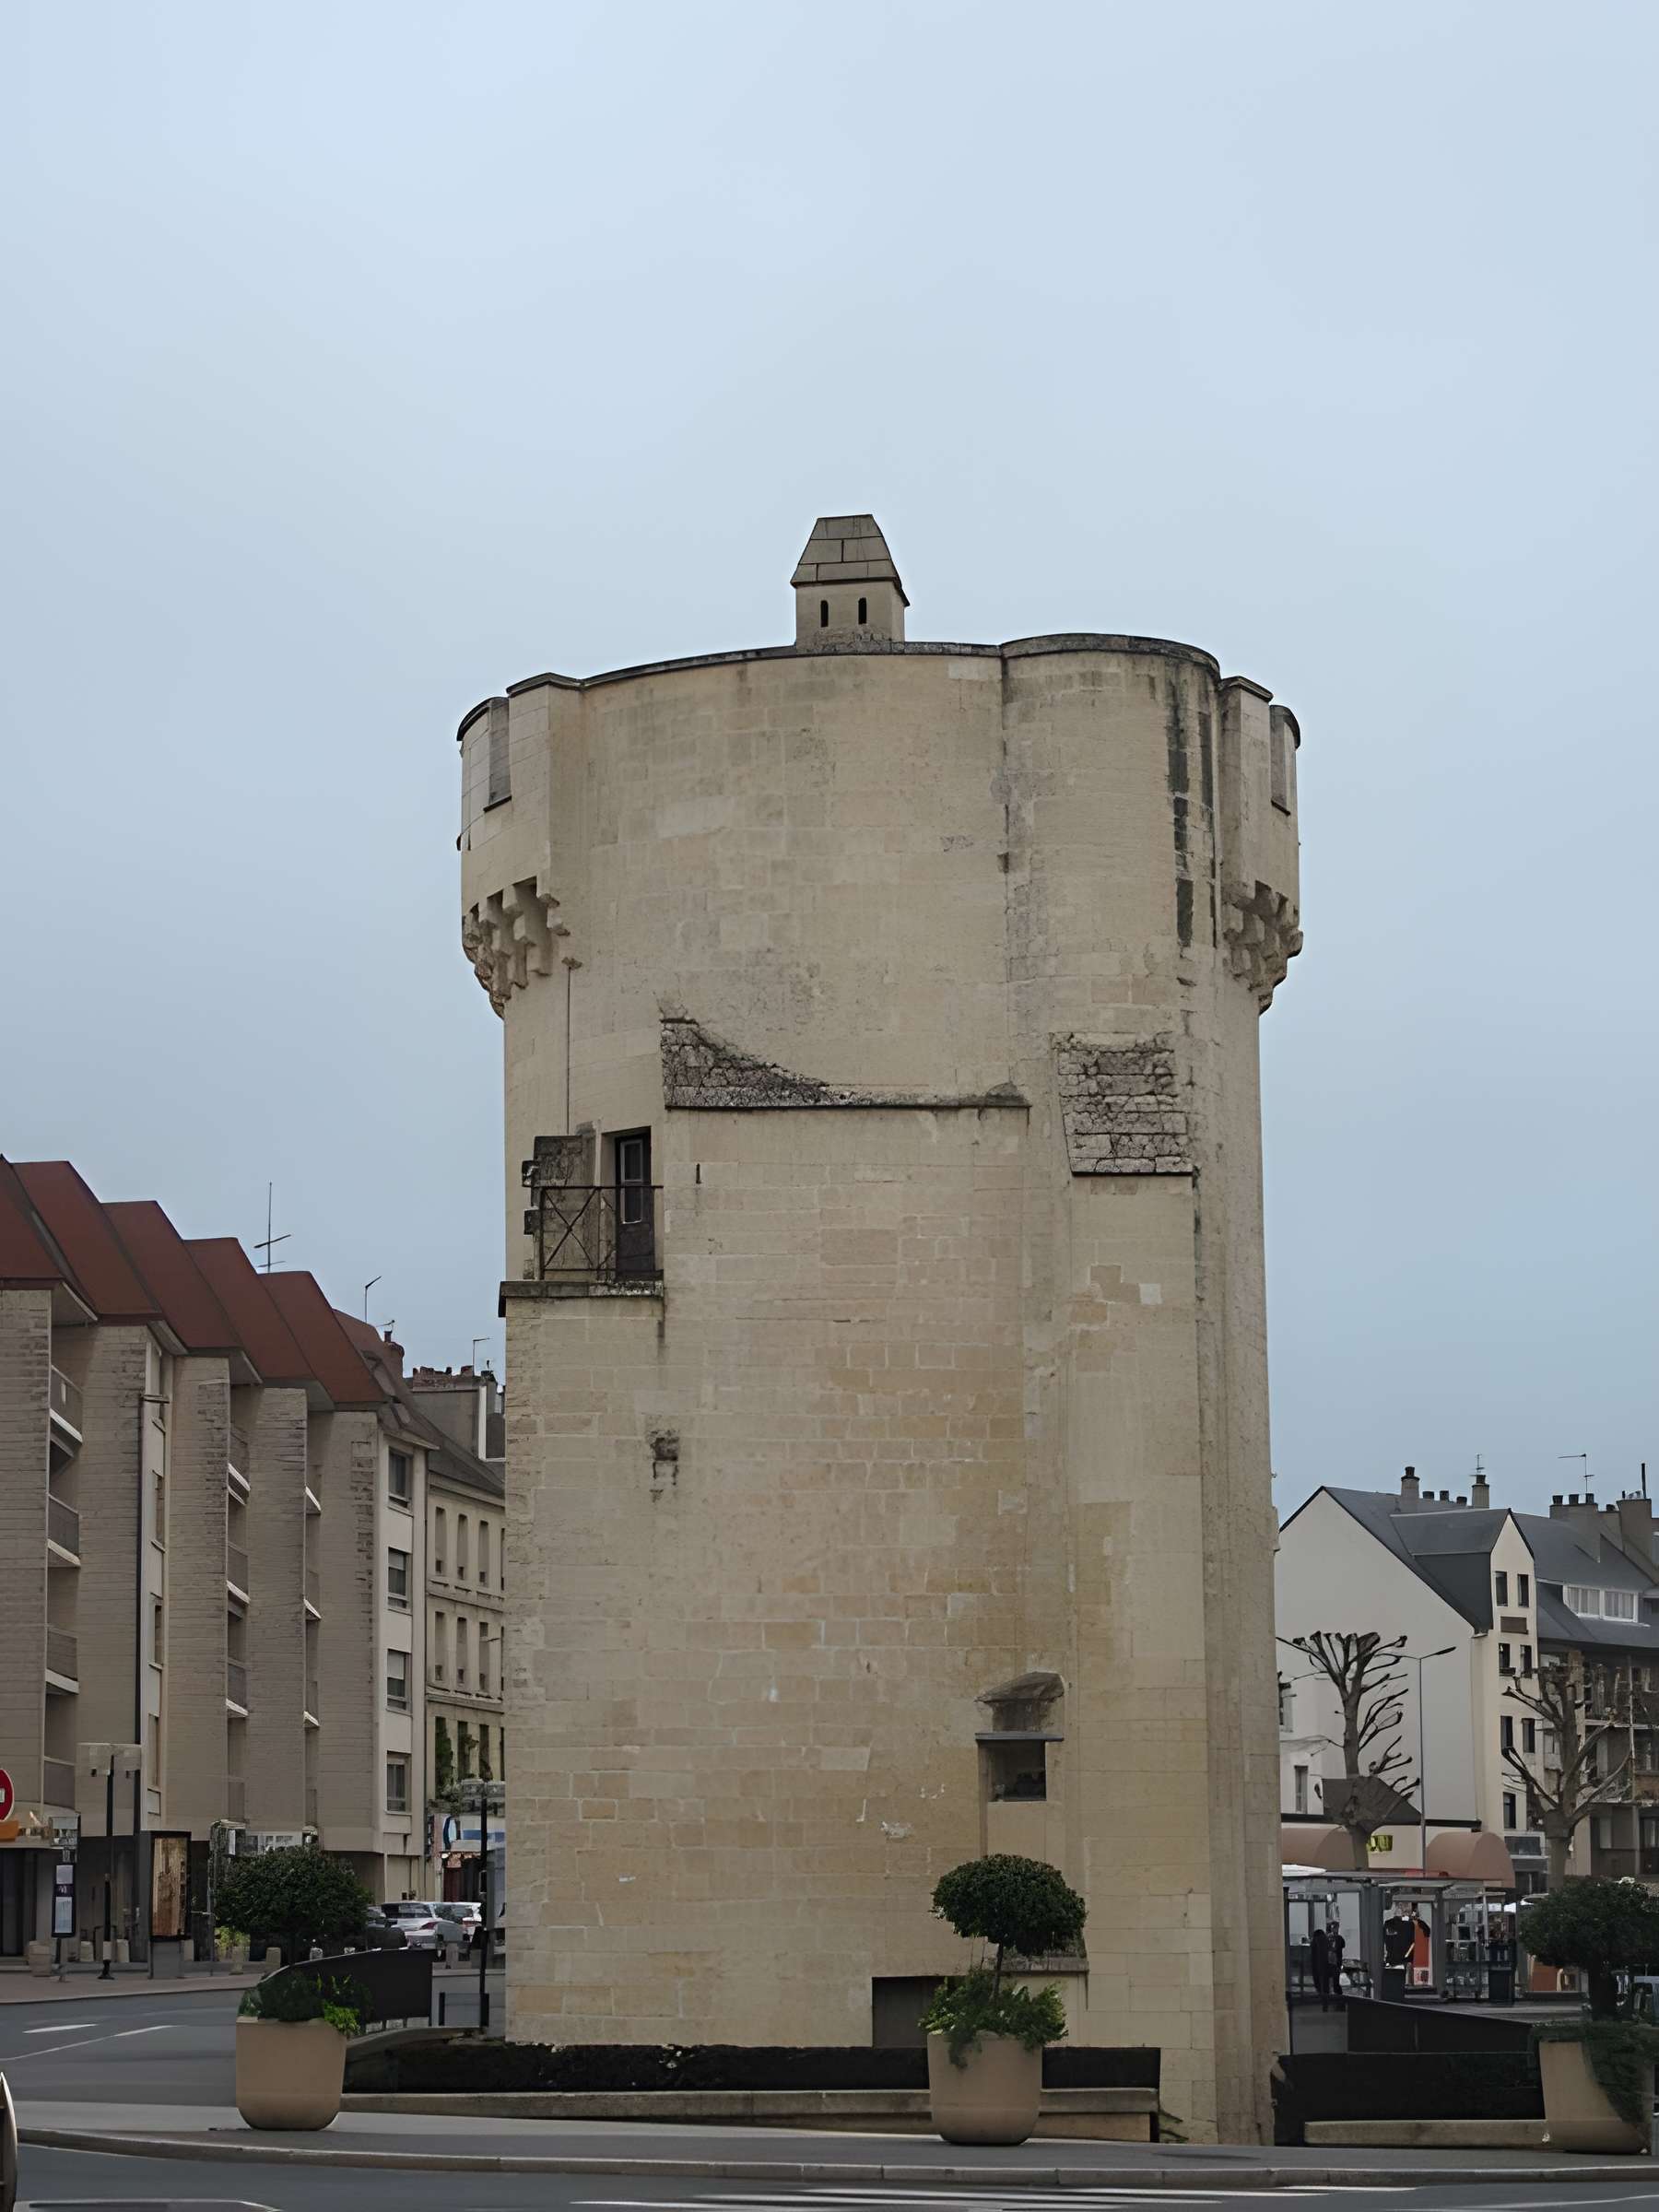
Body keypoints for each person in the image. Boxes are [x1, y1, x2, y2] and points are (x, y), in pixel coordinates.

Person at [1324, 1919, 1347, 2008]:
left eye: (1336, 1928)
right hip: (1331, 1963)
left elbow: (1340, 1947)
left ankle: (1340, 2004)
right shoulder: (1330, 1938)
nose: (1335, 1930)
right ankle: (1333, 2003)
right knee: (1330, 1983)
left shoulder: (1338, 1938)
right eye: (1334, 1928)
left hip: (1335, 1963)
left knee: (1335, 1983)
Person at [1309, 1920, 1332, 2007]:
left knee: (1319, 1985)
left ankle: (1324, 2002)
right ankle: (1326, 2003)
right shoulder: (1326, 1940)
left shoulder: (1315, 1941)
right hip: (1327, 1966)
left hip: (1317, 1967)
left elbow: (1313, 1955)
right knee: (1326, 1985)